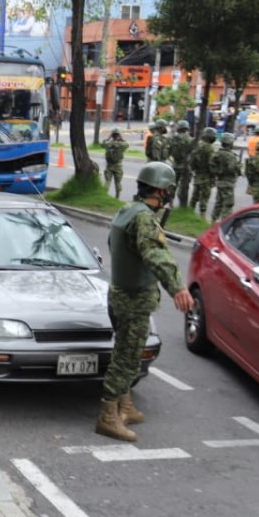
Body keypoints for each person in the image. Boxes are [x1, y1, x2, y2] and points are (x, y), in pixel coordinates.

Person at [98, 163, 193, 442]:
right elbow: (155, 255)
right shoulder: (144, 220)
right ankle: (108, 416)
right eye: (168, 190)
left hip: (118, 294)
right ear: (161, 190)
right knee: (127, 358)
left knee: (125, 352)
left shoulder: (127, 211)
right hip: (134, 300)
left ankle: (124, 406)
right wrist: (177, 287)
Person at [209, 132, 241, 221]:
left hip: (220, 181)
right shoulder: (230, 156)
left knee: (218, 202)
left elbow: (211, 166)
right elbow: (231, 169)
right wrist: (238, 167)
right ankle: (225, 223)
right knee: (228, 204)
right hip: (228, 182)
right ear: (230, 143)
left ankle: (213, 220)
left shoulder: (217, 154)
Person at [189, 128, 218, 216]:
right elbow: (211, 164)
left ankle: (189, 212)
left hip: (198, 174)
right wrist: (214, 174)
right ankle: (202, 215)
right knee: (204, 197)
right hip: (207, 176)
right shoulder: (210, 149)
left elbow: (192, 162)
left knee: (194, 196)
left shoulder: (197, 146)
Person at [168, 120, 195, 207]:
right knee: (183, 186)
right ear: (187, 128)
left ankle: (170, 202)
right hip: (186, 166)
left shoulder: (173, 139)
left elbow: (168, 151)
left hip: (175, 165)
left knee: (172, 185)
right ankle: (182, 205)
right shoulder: (191, 139)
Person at [103, 128, 128, 199]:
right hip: (118, 166)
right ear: (118, 135)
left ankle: (104, 195)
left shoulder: (108, 144)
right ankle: (117, 197)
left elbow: (102, 144)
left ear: (112, 135)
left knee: (107, 181)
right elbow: (127, 144)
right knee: (118, 182)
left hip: (109, 166)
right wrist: (122, 138)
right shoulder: (121, 144)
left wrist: (108, 138)